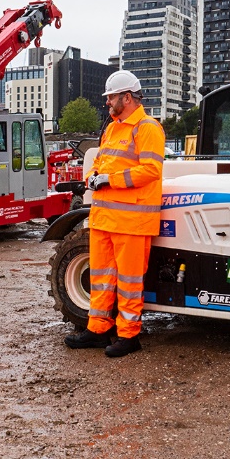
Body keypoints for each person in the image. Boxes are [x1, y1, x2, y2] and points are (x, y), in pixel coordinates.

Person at [64, 70, 165, 357]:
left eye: (111, 98)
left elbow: (151, 170)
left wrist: (110, 179)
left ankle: (129, 336)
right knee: (100, 278)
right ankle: (97, 329)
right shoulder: (112, 128)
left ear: (127, 97)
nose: (107, 103)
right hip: (105, 219)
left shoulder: (147, 128)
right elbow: (100, 164)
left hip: (132, 221)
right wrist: (94, 176)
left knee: (130, 281)